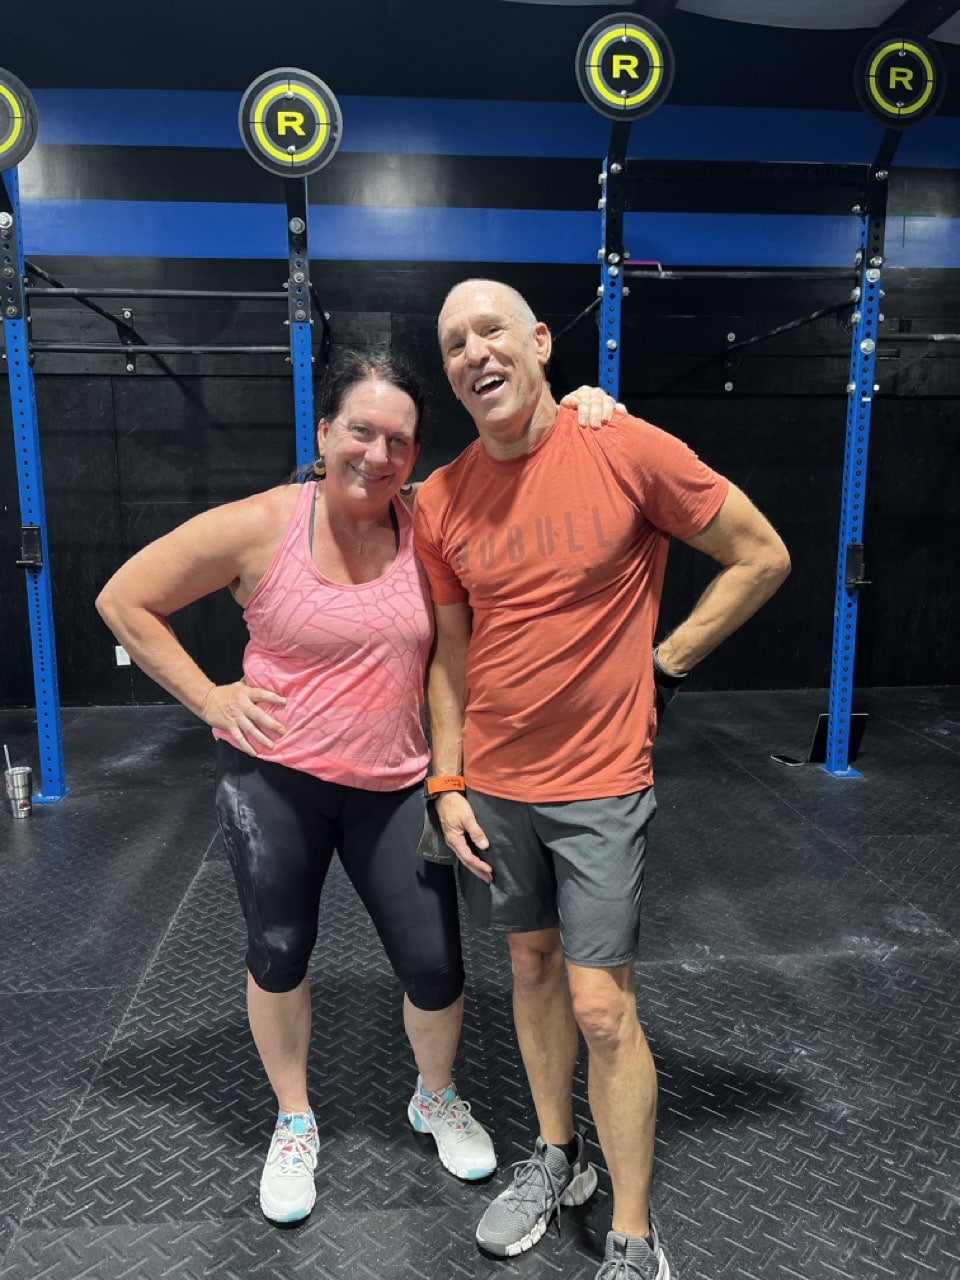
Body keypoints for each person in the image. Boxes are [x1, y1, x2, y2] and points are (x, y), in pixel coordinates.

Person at [413, 280, 792, 1280]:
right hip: (494, 781)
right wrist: (446, 780)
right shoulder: (443, 497)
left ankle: (631, 1231)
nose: (472, 352)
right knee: (530, 970)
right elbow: (448, 659)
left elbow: (760, 554)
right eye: (452, 343)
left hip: (599, 783)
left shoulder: (624, 447)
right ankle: (556, 1155)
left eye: (490, 329)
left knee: (601, 1007)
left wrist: (664, 665)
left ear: (540, 342)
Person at [95, 350, 499, 1225]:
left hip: (394, 781)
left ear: (416, 453)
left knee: (436, 965)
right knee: (280, 949)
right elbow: (124, 600)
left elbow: (514, 468)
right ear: (325, 433)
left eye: (399, 439)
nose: (378, 453)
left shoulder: (426, 522)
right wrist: (209, 697)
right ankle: (295, 1117)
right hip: (276, 776)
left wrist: (584, 407)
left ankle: (433, 1097)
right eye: (361, 430)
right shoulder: (262, 525)